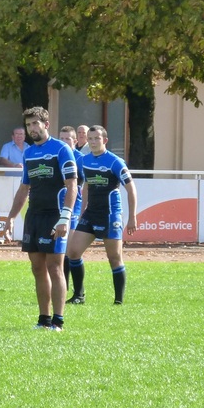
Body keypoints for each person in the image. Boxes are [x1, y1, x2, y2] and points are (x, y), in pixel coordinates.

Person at [3, 107, 78, 331]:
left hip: (55, 215)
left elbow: (72, 185)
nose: (32, 128)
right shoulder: (28, 153)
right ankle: (43, 319)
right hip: (34, 216)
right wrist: (11, 217)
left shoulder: (61, 149)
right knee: (37, 268)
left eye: (35, 123)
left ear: (46, 124)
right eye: (28, 125)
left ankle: (58, 320)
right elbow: (24, 187)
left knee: (55, 267)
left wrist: (65, 217)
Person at [65, 126, 138, 305]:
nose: (93, 142)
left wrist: (132, 217)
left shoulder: (115, 162)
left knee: (114, 258)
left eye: (96, 138)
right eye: (90, 138)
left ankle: (118, 301)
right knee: (73, 252)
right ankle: (79, 296)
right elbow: (86, 186)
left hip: (110, 215)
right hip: (91, 214)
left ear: (104, 140)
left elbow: (131, 189)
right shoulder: (85, 160)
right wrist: (82, 211)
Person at [58, 126, 83, 297]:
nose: (64, 142)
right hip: (57, 205)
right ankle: (63, 289)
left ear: (75, 141)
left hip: (74, 206)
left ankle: (79, 293)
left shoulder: (80, 159)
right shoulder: (57, 155)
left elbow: (83, 185)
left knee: (71, 249)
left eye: (68, 139)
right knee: (60, 250)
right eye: (62, 138)